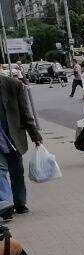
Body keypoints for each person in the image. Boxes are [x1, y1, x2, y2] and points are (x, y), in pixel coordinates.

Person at [0, 69, 42, 216]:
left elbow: (25, 112)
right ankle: (5, 204)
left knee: (17, 171)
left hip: (12, 137)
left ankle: (19, 203)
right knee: (0, 171)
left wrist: (35, 136)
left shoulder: (14, 85)